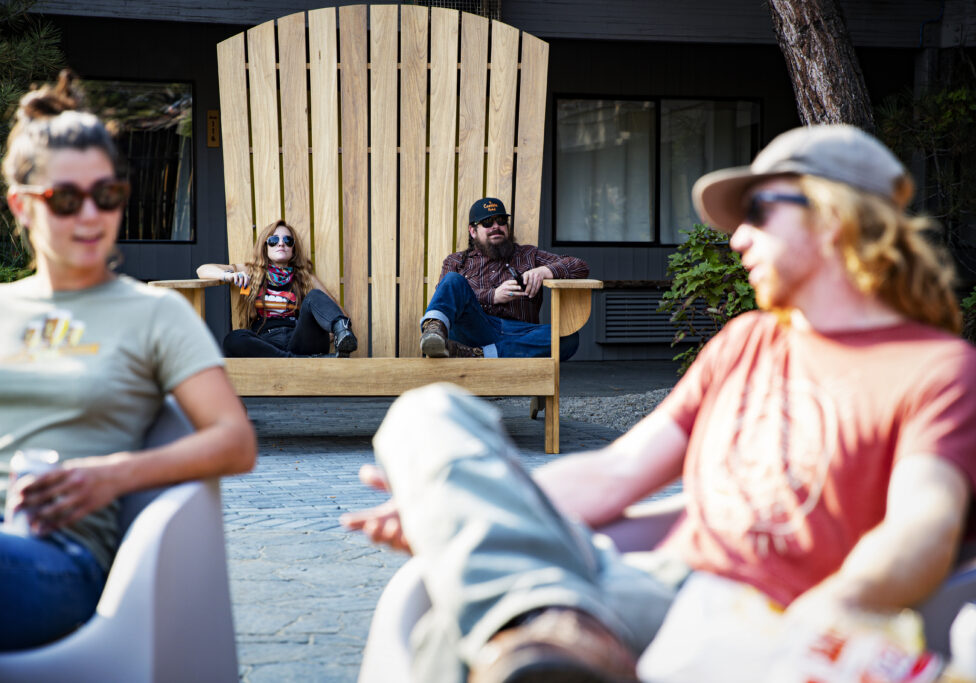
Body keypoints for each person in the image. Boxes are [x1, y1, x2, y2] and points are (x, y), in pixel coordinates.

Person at [342, 125, 976, 682]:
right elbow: (618, 471)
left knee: (451, 631)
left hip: (763, 616)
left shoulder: (934, 370)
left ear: (832, 215)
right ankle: (561, 630)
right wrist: (462, 506)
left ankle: (552, 631)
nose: (737, 240)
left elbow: (925, 525)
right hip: (654, 581)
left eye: (757, 210)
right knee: (429, 414)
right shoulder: (747, 342)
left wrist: (834, 611)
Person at [0, 71, 257, 652]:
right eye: (66, 200)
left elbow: (234, 442)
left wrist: (112, 475)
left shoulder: (154, 314)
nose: (90, 215)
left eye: (107, 194)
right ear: (22, 206)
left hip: (56, 559)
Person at [419, 197, 589, 359]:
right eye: (487, 222)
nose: (496, 226)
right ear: (473, 231)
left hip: (518, 331)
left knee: (568, 338)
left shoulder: (529, 255)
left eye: (501, 221)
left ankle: (478, 354)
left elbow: (580, 266)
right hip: (474, 328)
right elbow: (445, 296)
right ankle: (433, 331)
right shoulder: (456, 261)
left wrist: (544, 271)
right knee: (452, 280)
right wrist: (492, 296)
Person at [197, 220, 357, 358]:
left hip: (300, 340)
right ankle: (295, 360)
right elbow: (203, 269)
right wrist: (229, 276)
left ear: (293, 248)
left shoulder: (306, 277)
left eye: (288, 240)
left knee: (314, 295)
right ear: (265, 246)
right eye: (274, 240)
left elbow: (341, 314)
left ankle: (337, 340)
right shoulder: (251, 271)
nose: (281, 243)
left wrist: (329, 335)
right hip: (266, 342)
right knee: (233, 339)